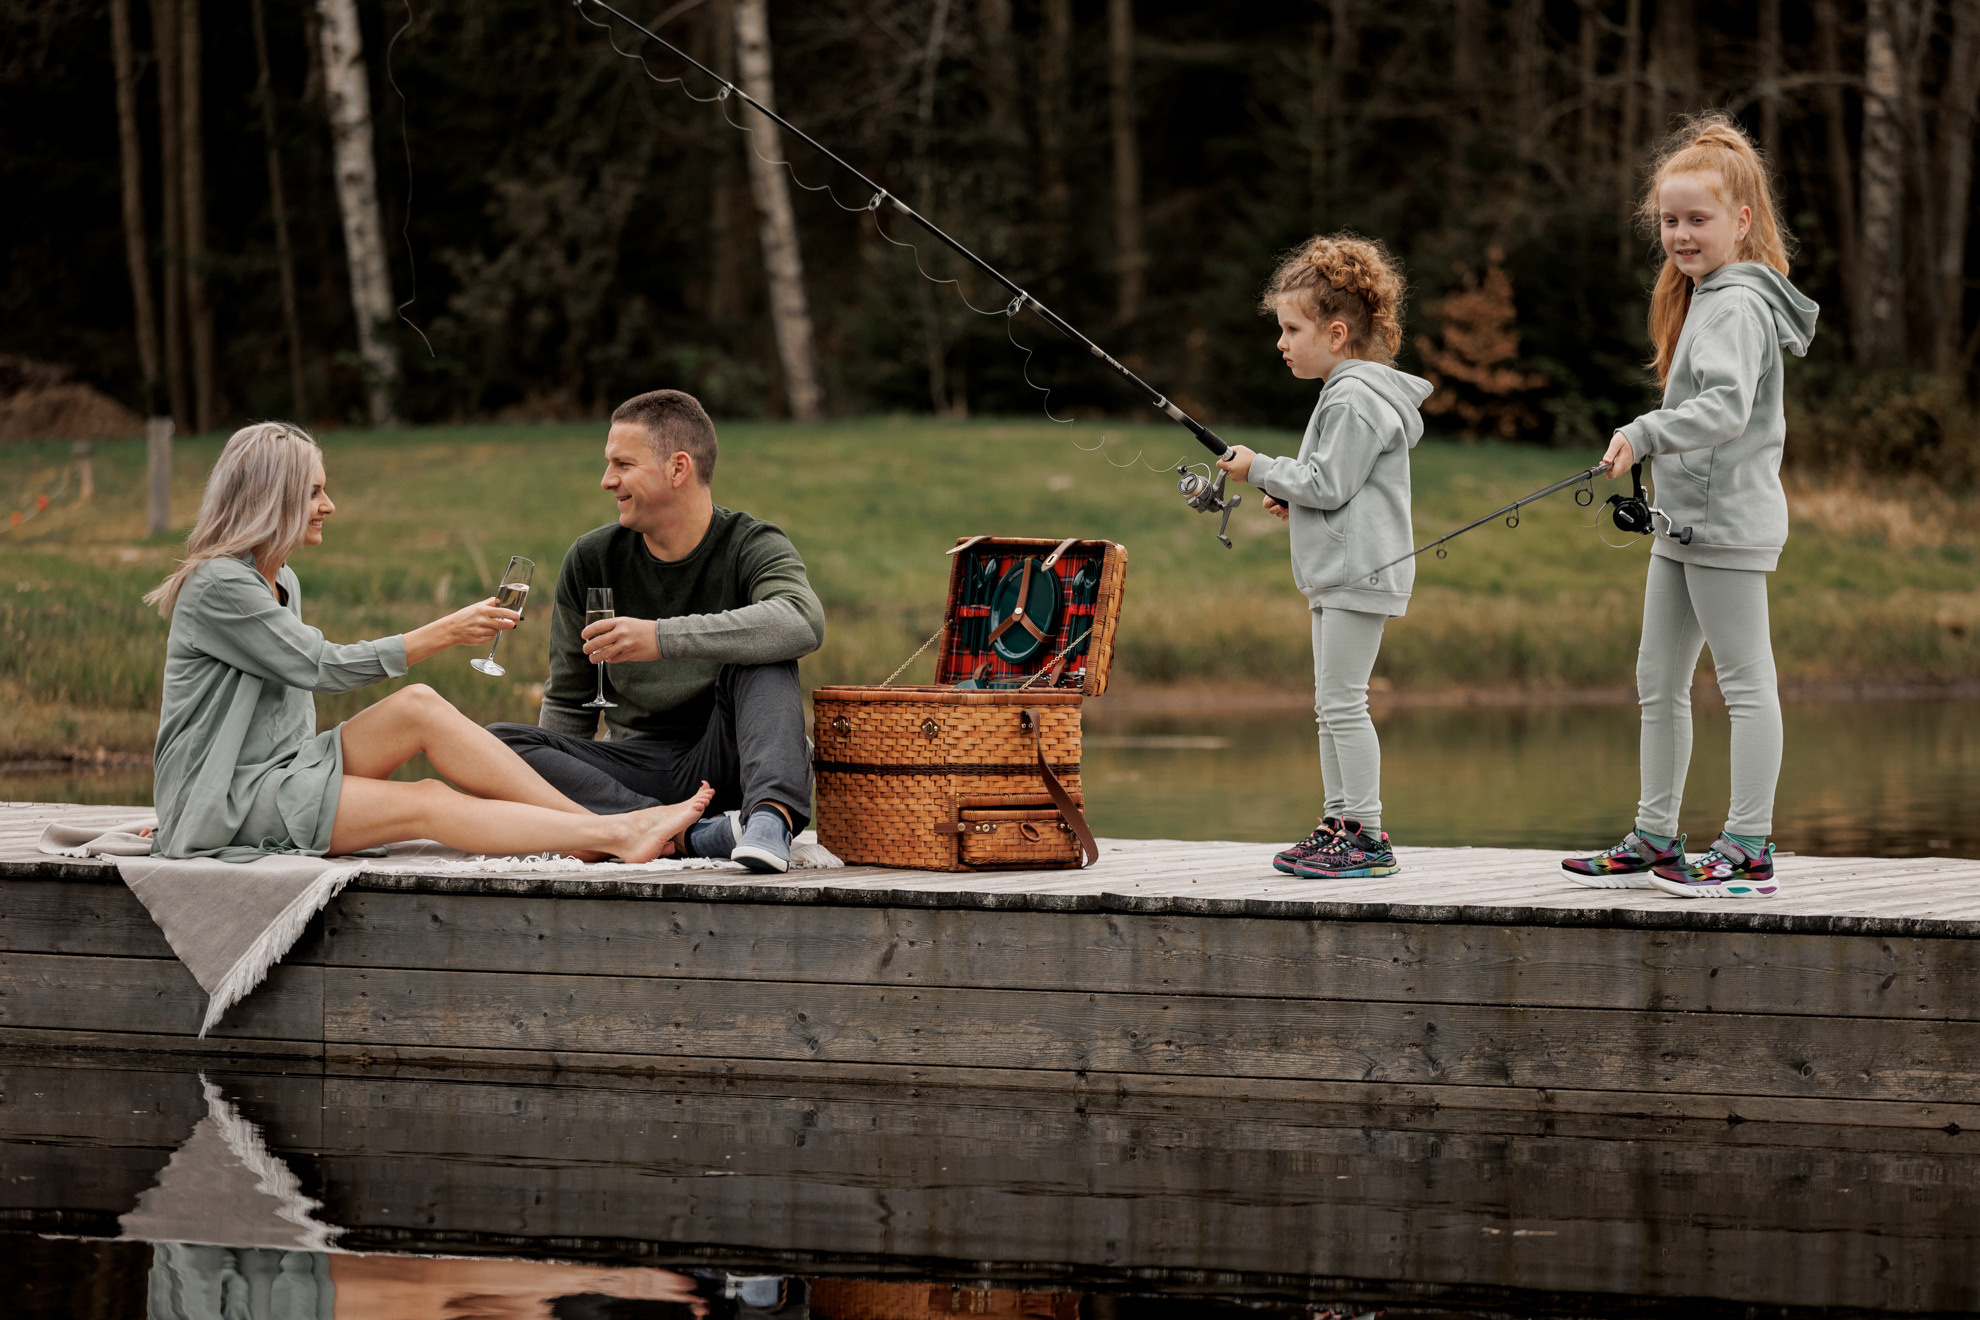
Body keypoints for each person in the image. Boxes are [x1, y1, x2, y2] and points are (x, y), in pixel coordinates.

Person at [144, 422, 714, 865]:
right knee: (428, 802)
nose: (328, 505)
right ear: (273, 498)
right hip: (235, 798)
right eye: (314, 491)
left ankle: (593, 830)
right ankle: (614, 832)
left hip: (284, 769)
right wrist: (447, 631)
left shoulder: (280, 579)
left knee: (419, 707)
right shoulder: (219, 584)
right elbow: (321, 667)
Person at [1563, 113, 1818, 899]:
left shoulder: (1737, 305)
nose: (1680, 233)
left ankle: (1748, 847)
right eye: (1669, 220)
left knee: (1746, 684)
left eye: (1696, 219)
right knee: (1658, 678)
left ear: (1741, 222)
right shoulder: (1705, 297)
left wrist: (1641, 433)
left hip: (1728, 525)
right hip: (1683, 526)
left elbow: (1725, 410)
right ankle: (1655, 836)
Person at [489, 389, 825, 874]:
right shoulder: (592, 558)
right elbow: (568, 702)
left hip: (728, 758)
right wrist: (553, 811)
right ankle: (686, 836)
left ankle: (770, 820)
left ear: (678, 468)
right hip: (635, 770)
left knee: (769, 655)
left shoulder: (750, 544)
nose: (607, 481)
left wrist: (659, 638)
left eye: (623, 464)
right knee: (494, 746)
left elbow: (802, 619)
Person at [1214, 234, 1432, 880]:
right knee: (1331, 703)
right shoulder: (1349, 391)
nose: (1281, 343)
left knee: (1344, 703)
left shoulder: (1355, 395)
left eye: (1291, 328)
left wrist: (1262, 471)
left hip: (1357, 574)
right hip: (1341, 572)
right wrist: (1296, 495)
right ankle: (1339, 823)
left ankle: (1365, 834)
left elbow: (1328, 483)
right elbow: (1335, 484)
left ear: (1336, 334)